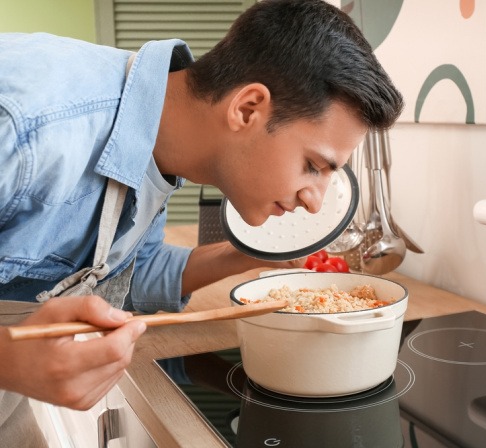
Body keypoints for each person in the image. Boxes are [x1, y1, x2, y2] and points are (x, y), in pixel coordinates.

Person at [0, 0, 403, 416]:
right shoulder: (28, 128)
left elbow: (125, 273)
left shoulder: (162, 137)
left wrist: (244, 255)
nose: (315, 201)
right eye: (312, 166)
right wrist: (8, 363)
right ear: (247, 109)